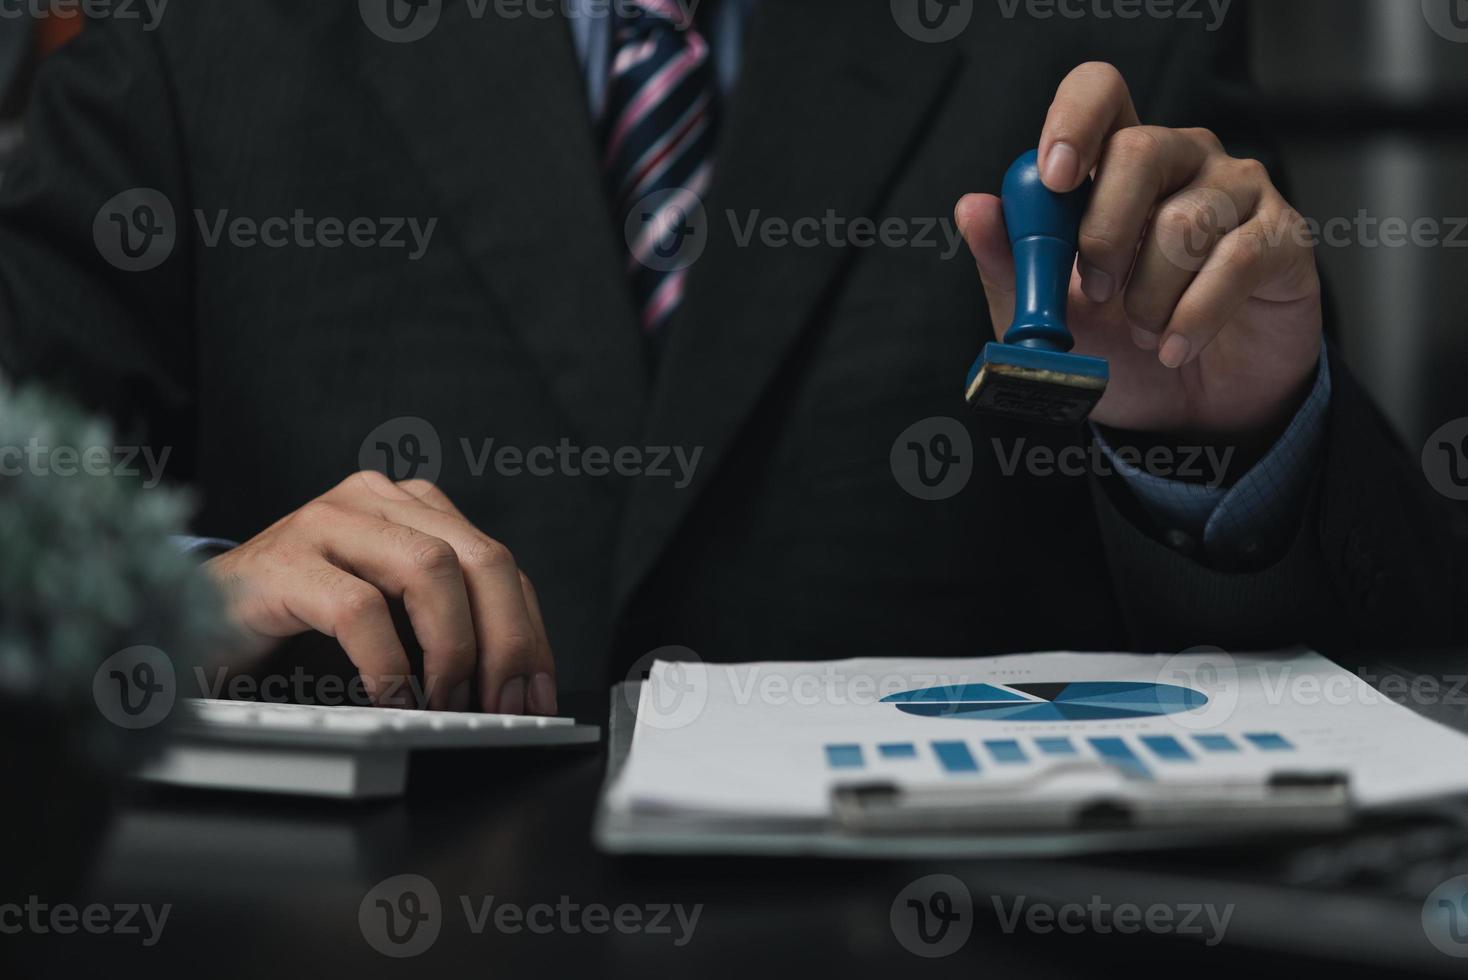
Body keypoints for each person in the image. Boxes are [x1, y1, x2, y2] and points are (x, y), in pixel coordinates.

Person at [0, 1, 1460, 714]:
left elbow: (1411, 655)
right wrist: (156, 597)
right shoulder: (184, 37)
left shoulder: (1100, 28)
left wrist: (1229, 447)